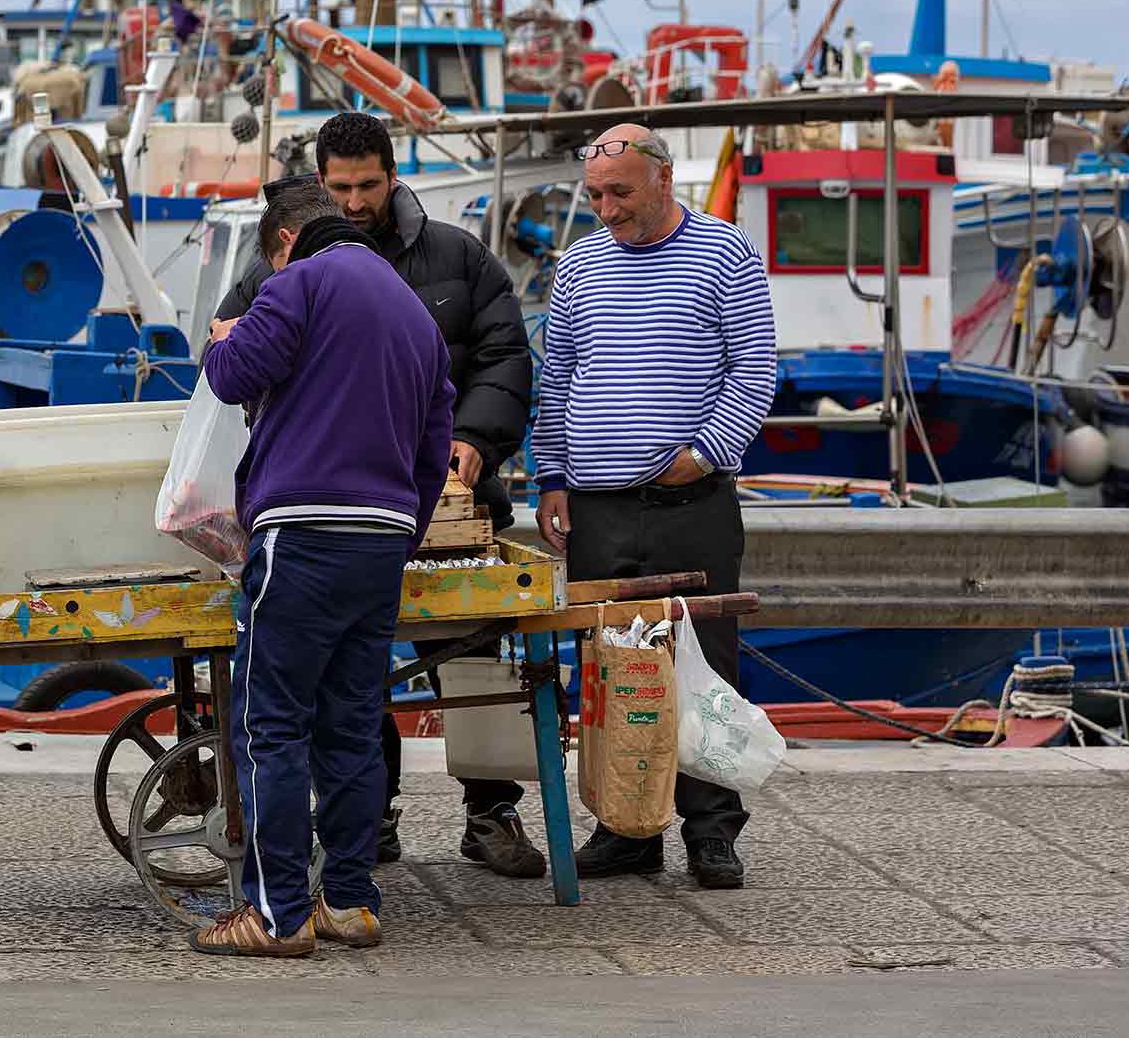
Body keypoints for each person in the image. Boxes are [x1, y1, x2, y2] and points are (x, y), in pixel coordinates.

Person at [216, 111, 543, 878]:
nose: (356, 200)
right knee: (356, 705)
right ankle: (363, 853)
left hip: (376, 521)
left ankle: (486, 811)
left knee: (456, 668)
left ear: (392, 176)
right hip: (393, 519)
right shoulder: (307, 277)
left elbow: (504, 355)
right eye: (341, 188)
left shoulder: (454, 257)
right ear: (322, 189)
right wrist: (415, 499)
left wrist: (478, 438)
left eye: (368, 184)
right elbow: (241, 322)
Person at [190, 183, 455, 958]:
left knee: (268, 723)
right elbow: (435, 442)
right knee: (350, 727)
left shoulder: (297, 281)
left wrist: (223, 336)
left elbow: (234, 375)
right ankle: (351, 899)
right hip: (381, 539)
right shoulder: (413, 310)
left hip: (301, 533)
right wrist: (402, 526)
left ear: (283, 241)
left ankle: (275, 915)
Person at [532, 124, 776, 890]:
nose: (605, 209)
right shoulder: (577, 264)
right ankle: (626, 826)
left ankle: (712, 829)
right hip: (598, 508)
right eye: (596, 194)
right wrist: (551, 476)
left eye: (621, 193)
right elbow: (558, 376)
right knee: (609, 672)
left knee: (706, 665)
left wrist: (703, 451)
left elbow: (756, 365)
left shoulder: (726, 250)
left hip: (691, 503)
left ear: (664, 180)